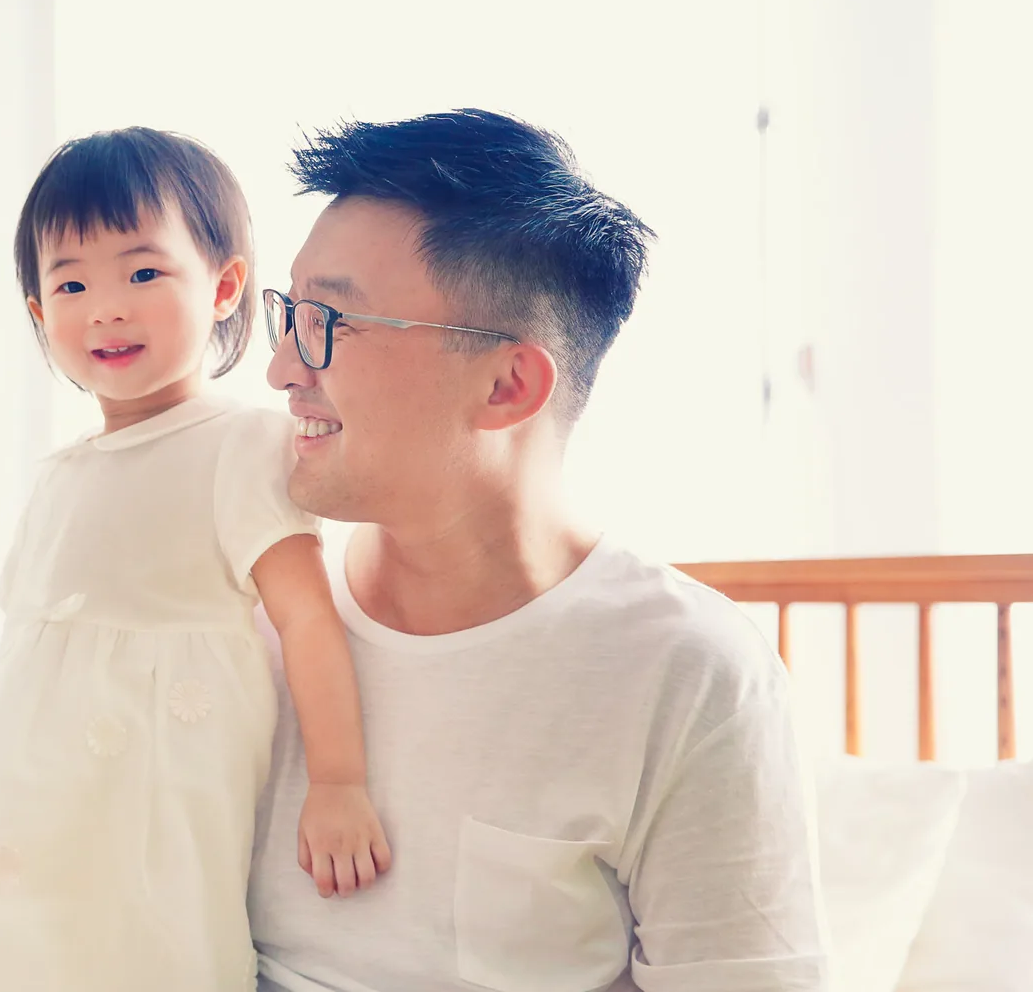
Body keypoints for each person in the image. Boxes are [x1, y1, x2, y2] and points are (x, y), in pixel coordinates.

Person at [247, 109, 828, 992]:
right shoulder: (244, 613)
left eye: (328, 319)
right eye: (289, 313)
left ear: (508, 383)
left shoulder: (686, 671)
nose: (283, 368)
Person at [0, 127, 390, 992]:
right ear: (38, 312)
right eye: (70, 282)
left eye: (143, 272)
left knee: (130, 946)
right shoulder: (59, 475)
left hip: (149, 796)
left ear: (222, 287)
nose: (106, 306)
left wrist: (339, 780)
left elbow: (306, 616)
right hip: (21, 792)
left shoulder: (240, 446)